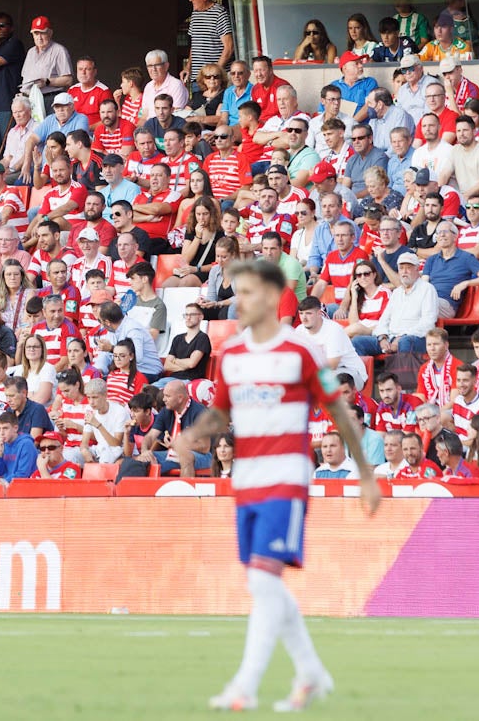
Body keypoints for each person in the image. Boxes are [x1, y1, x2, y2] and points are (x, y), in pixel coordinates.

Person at [174, 258, 379, 712]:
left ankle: (245, 686)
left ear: (270, 298)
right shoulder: (233, 356)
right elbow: (221, 413)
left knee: (265, 579)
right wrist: (192, 435)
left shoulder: (300, 352)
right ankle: (311, 673)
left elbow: (339, 409)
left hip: (287, 478)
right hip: (246, 480)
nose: (237, 303)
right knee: (261, 583)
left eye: (245, 293)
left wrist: (365, 473)